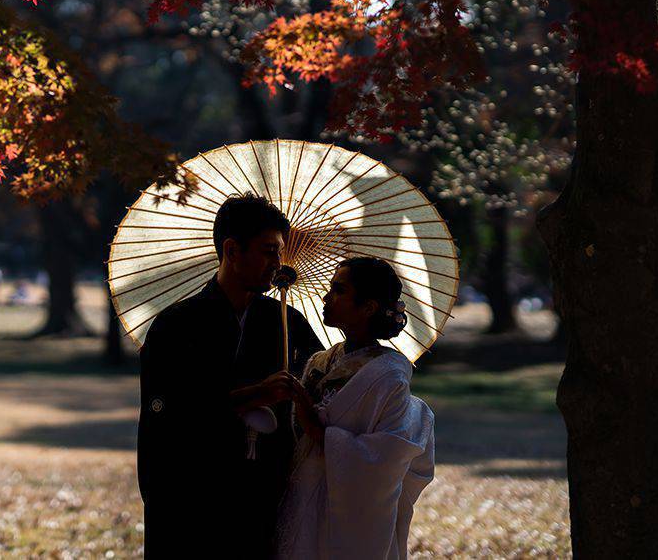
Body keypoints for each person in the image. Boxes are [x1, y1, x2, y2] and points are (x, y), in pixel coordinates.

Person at [137, 193, 323, 558]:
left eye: (279, 252)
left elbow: (322, 389)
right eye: (268, 251)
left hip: (266, 494)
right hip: (192, 499)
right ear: (232, 250)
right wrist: (252, 395)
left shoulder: (287, 322)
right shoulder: (176, 325)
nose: (277, 263)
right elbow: (167, 416)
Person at [274, 257, 435, 559]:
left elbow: (381, 460)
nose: (326, 297)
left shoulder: (388, 376)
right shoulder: (321, 362)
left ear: (368, 307)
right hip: (301, 496)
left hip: (345, 514)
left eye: (339, 290)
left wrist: (313, 422)